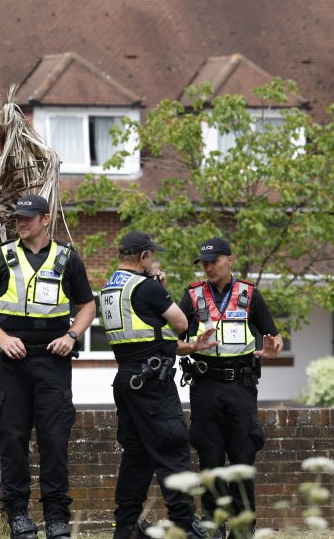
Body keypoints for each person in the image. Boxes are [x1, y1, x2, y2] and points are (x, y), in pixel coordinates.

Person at [0, 194, 96, 539]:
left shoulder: (68, 259)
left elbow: (87, 306)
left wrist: (72, 336)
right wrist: (0, 337)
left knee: (55, 440)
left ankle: (57, 517)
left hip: (53, 362)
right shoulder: (4, 257)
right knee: (13, 438)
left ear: (46, 219)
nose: (20, 223)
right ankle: (18, 515)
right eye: (17, 219)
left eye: (27, 218)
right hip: (13, 362)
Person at [100, 231, 216, 539]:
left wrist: (190, 348)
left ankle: (125, 527)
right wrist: (158, 286)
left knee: (136, 456)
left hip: (127, 380)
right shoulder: (146, 287)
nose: (154, 262)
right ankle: (185, 525)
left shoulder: (110, 289)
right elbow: (180, 324)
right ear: (143, 257)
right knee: (172, 448)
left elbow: (150, 337)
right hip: (152, 384)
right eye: (152, 257)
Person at [178, 238, 283, 537]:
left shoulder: (250, 295)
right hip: (205, 385)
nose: (209, 267)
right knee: (209, 461)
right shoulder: (192, 295)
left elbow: (274, 336)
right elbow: (173, 343)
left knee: (241, 458)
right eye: (205, 263)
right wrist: (191, 345)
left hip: (241, 386)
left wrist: (275, 348)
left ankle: (243, 529)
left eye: (215, 261)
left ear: (230, 260)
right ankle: (212, 528)